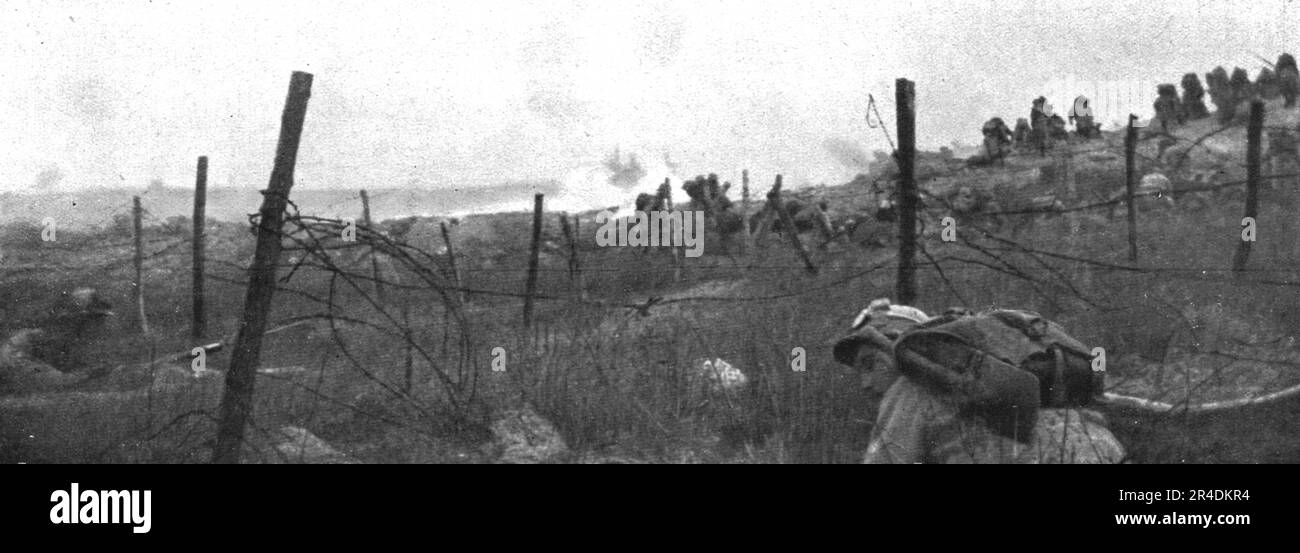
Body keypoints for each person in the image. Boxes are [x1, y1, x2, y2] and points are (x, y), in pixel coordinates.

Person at [832, 299, 1125, 464]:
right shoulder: (1004, 369)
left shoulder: (910, 388)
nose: (865, 383)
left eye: (871, 363)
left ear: (900, 349)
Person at [1, 287, 115, 395]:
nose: (100, 327)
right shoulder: (22, 343)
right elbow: (49, 382)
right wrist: (91, 374)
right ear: (75, 322)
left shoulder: (71, 346)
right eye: (95, 321)